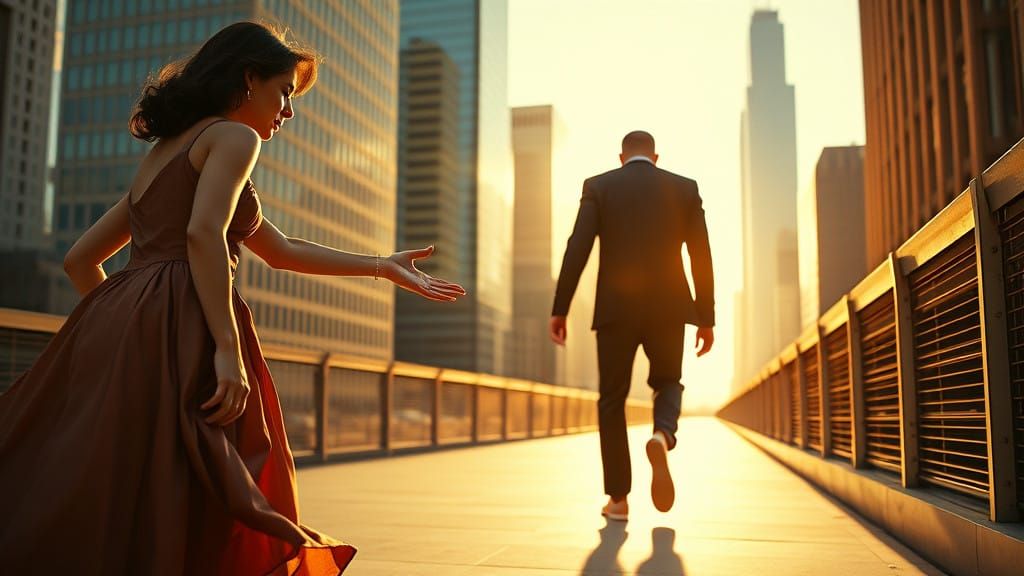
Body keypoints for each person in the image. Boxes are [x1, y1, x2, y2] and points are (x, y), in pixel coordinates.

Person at [0, 22, 465, 574]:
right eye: (285, 92)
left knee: (136, 478)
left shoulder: (165, 152)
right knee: (221, 474)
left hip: (124, 322)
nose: (288, 111)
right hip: (186, 318)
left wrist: (381, 267)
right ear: (249, 79)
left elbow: (83, 260)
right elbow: (202, 235)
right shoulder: (233, 138)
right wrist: (223, 346)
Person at [550, 130, 714, 522]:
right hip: (669, 307)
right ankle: (663, 434)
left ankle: (619, 500)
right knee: (668, 381)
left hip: (615, 311)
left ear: (621, 157)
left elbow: (578, 247)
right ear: (656, 157)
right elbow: (701, 255)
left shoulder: (600, 186)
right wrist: (706, 317)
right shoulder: (684, 189)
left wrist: (561, 308)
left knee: (611, 400)